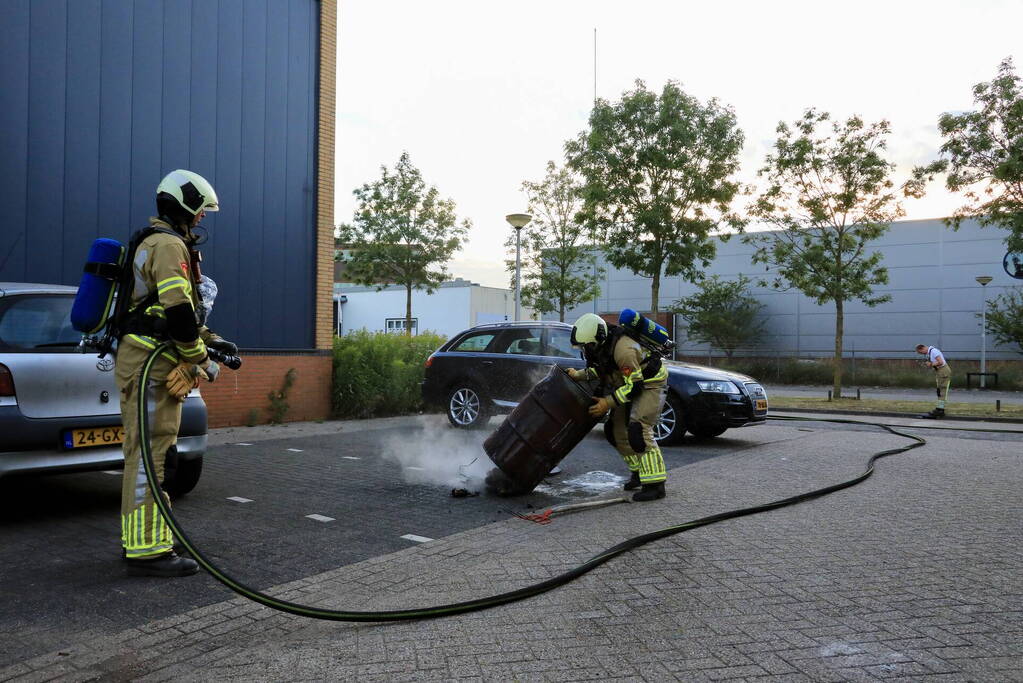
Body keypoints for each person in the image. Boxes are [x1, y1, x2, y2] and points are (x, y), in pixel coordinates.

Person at [117, 170, 237, 577]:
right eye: (201, 209)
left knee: (150, 454)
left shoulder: (155, 241)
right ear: (185, 205)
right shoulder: (168, 245)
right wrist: (200, 359)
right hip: (151, 365)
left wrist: (214, 340)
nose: (203, 217)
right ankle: (147, 551)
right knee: (150, 458)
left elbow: (175, 314)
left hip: (147, 360)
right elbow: (177, 311)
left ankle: (144, 538)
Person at [567, 313, 669, 501]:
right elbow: (605, 368)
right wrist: (579, 375)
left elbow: (635, 386)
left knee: (639, 429)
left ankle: (655, 485)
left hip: (650, 383)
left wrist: (607, 402)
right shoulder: (603, 345)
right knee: (614, 431)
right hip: (629, 383)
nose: (584, 350)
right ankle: (639, 473)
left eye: (586, 346)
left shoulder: (624, 350)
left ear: (597, 339)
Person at [915, 343, 951, 419]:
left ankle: (940, 410)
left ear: (923, 348)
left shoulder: (934, 351)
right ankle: (939, 409)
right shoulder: (931, 352)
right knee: (939, 392)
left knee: (942, 392)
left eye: (921, 352)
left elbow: (940, 362)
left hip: (943, 371)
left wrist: (931, 364)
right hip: (940, 371)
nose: (922, 354)